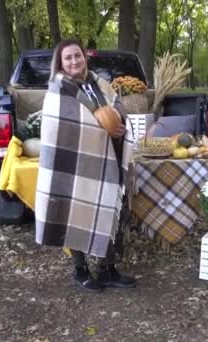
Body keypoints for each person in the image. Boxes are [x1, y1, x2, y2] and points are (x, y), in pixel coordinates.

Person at [35, 39, 137, 292]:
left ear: (85, 57)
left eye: (77, 56)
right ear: (60, 63)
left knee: (106, 209)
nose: (74, 61)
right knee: (76, 213)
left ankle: (107, 270)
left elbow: (116, 107)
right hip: (74, 162)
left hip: (108, 155)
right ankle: (80, 270)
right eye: (67, 58)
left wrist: (120, 124)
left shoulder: (98, 82)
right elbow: (63, 127)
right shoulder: (58, 92)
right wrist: (102, 130)